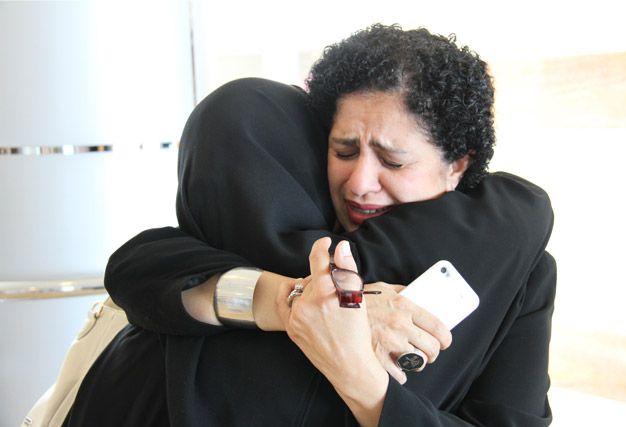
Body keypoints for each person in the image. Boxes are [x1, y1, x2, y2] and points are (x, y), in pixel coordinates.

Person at [65, 24, 555, 426]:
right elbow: (138, 270)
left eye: (392, 161)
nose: (359, 183)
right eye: (345, 151)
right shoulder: (268, 219)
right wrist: (302, 301)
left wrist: (363, 382)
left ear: (457, 165)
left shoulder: (515, 266)